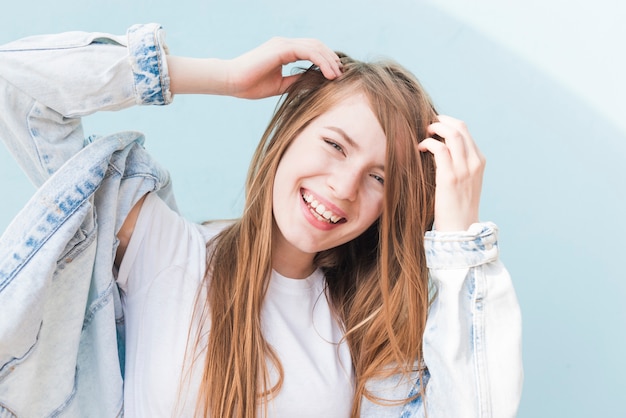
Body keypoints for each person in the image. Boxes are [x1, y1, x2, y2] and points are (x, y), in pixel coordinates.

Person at [0, 23, 523, 417]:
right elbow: (19, 85)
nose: (343, 187)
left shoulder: (368, 340)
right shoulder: (162, 250)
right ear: (290, 131)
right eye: (334, 145)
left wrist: (459, 243)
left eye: (380, 179)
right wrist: (222, 76)